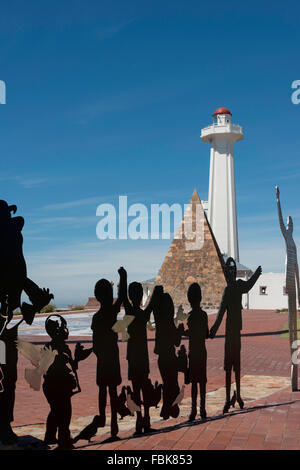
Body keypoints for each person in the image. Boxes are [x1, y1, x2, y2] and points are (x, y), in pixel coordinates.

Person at [209, 257, 262, 413]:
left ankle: (233, 397)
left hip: (232, 332)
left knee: (232, 366)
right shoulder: (237, 287)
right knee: (232, 366)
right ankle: (233, 397)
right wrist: (256, 275)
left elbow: (220, 314)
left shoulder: (233, 288)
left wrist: (212, 331)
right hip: (232, 332)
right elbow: (220, 313)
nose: (230, 273)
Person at [43, 314, 91, 449]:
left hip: (58, 385)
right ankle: (63, 438)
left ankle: (51, 436)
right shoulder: (55, 347)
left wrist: (78, 356)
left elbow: (73, 365)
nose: (65, 331)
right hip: (56, 385)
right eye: (62, 328)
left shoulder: (62, 347)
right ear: (55, 331)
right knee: (63, 412)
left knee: (56, 411)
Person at [91, 267, 126, 440]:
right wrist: (123, 277)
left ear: (96, 296)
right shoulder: (112, 312)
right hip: (112, 358)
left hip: (102, 359)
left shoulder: (96, 318)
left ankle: (102, 417)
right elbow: (121, 297)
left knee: (102, 390)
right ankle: (114, 426)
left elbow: (95, 343)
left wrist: (97, 352)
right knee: (112, 391)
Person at [122, 274, 159, 434]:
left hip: (133, 355)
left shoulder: (130, 311)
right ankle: (147, 418)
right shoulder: (143, 314)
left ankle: (139, 419)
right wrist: (156, 292)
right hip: (142, 356)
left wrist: (123, 278)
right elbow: (150, 305)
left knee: (136, 389)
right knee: (144, 386)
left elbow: (122, 297)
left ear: (131, 297)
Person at [152, 287, 183, 420]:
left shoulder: (160, 322)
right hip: (171, 357)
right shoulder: (170, 324)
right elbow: (176, 342)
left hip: (162, 358)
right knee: (173, 382)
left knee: (167, 383)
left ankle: (166, 407)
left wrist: (158, 291)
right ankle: (171, 407)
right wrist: (180, 331)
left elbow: (154, 307)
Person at [183, 283, 209, 421]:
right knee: (202, 382)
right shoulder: (204, 315)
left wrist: (182, 331)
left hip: (193, 352)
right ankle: (203, 409)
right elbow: (206, 333)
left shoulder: (191, 316)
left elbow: (190, 332)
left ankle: (193, 410)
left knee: (194, 382)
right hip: (202, 352)